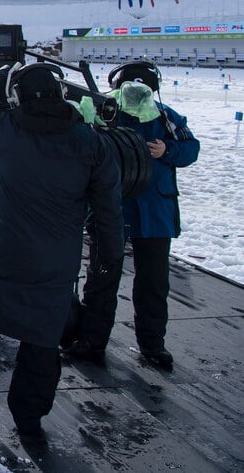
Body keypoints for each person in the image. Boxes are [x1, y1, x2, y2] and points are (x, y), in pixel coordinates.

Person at [0, 62, 123, 437]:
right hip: (56, 264)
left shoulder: (7, 131)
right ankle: (28, 419)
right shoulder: (92, 143)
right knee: (41, 343)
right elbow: (108, 212)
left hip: (7, 255)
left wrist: (5, 70)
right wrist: (111, 259)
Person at [66, 60, 199, 370]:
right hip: (112, 210)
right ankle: (93, 340)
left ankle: (153, 344)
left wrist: (167, 150)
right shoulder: (103, 110)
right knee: (102, 279)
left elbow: (191, 148)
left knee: (153, 283)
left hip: (154, 214)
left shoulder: (167, 118)